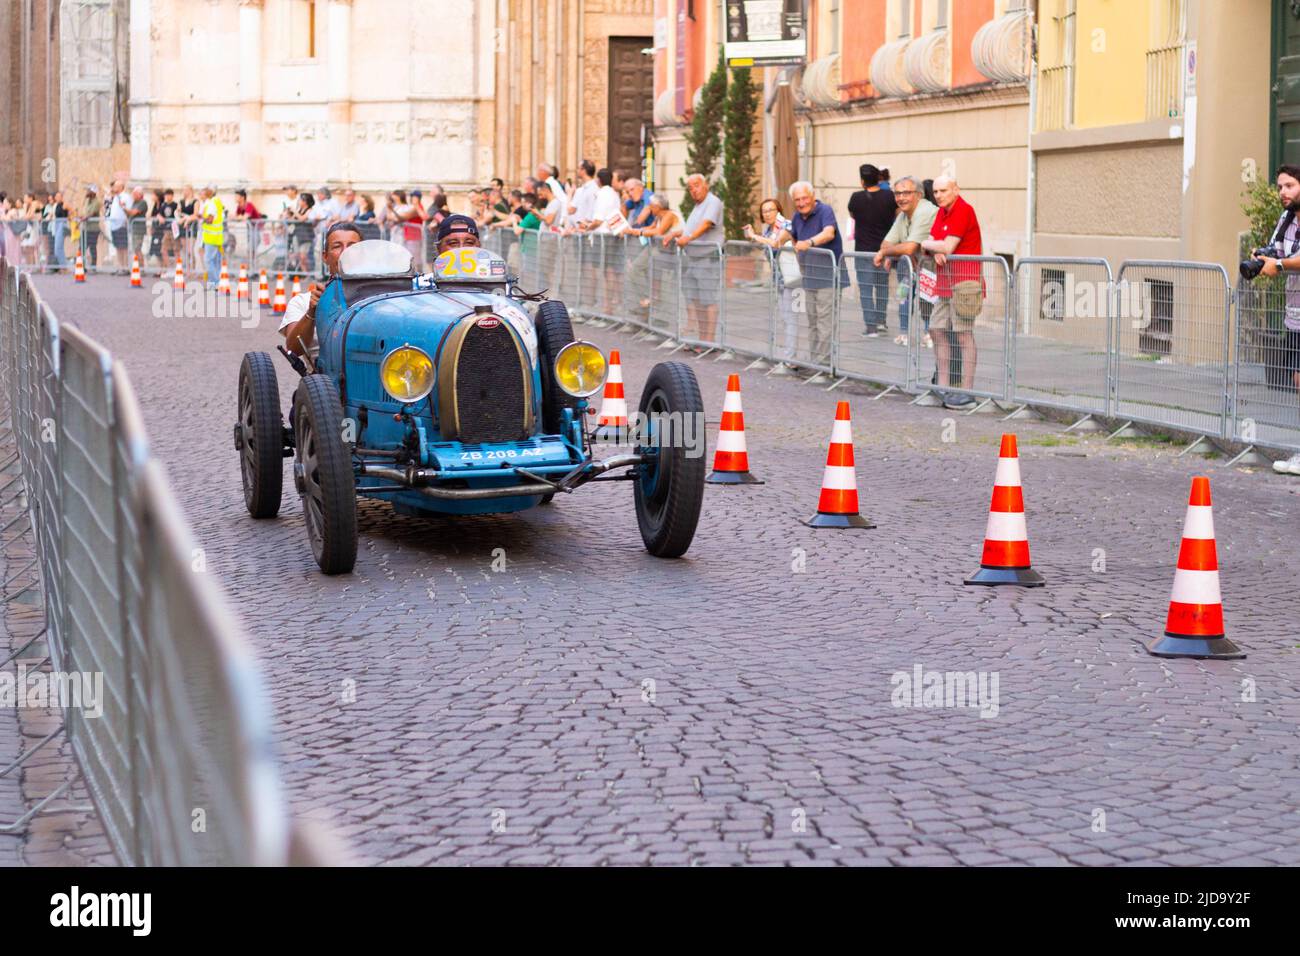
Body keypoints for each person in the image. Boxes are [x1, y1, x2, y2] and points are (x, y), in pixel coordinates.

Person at [920, 175, 983, 408]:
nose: (938, 195)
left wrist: (928, 245)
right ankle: (943, 388)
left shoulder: (964, 210)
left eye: (943, 191)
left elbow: (945, 245)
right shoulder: (941, 212)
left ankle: (967, 392)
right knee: (936, 329)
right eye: (935, 192)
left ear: (956, 189)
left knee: (964, 335)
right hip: (945, 283)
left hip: (965, 283)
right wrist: (934, 246)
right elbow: (937, 242)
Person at [1254, 164, 1300, 474]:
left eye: (1290, 186)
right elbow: (1279, 251)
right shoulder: (1287, 220)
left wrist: (1280, 266)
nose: (1283, 192)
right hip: (1295, 315)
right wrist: (1264, 257)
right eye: (1280, 186)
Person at [774, 181, 844, 367]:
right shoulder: (797, 216)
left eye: (804, 198)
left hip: (829, 276)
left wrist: (810, 243)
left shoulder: (825, 211)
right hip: (809, 276)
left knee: (825, 323)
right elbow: (791, 234)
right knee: (812, 321)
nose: (801, 202)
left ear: (812, 196)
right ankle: (815, 361)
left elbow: (829, 233)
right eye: (797, 199)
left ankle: (824, 364)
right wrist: (781, 237)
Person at [280, 222, 365, 360]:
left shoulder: (379, 298)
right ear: (325, 257)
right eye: (337, 246)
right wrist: (312, 312)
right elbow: (294, 349)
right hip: (322, 379)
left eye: (352, 246)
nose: (345, 252)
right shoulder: (302, 302)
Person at [874, 174, 939, 348]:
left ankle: (929, 334)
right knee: (903, 297)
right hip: (908, 265)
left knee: (927, 299)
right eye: (897, 194)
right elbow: (886, 243)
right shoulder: (903, 215)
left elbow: (908, 247)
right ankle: (904, 332)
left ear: (919, 194)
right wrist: (894, 251)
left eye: (906, 193)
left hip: (929, 266)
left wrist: (889, 252)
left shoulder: (925, 211)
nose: (901, 198)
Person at [671, 173, 724, 344]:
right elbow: (688, 229)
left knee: (708, 300)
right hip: (694, 259)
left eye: (696, 185)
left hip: (707, 259)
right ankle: (702, 339)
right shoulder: (697, 206)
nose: (693, 190)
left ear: (705, 185)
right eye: (690, 188)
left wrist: (688, 239)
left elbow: (707, 224)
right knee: (697, 300)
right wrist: (676, 233)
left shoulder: (712, 201)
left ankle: (709, 341)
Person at [848, 164, 899, 337]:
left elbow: (853, 215)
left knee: (866, 289)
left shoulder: (856, 198)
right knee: (882, 286)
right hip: (884, 250)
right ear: (879, 178)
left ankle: (870, 327)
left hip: (863, 251)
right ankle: (881, 322)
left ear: (862, 181)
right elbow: (896, 216)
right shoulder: (889, 196)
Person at [746, 197, 795, 359]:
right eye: (764, 211)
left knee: (793, 319)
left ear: (778, 210)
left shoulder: (787, 225)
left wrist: (754, 236)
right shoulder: (767, 231)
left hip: (794, 280)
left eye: (770, 210)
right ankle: (789, 355)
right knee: (785, 318)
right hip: (780, 280)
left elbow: (776, 243)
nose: (767, 214)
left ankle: (792, 358)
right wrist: (753, 237)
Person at [198, 185, 226, 287]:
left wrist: (201, 217)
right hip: (216, 236)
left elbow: (210, 220)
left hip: (211, 236)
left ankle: (215, 282)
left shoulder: (211, 203)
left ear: (208, 193)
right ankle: (215, 283)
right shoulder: (216, 202)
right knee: (215, 261)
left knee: (208, 260)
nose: (201, 195)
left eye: (202, 193)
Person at [105, 181, 131, 272]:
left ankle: (125, 267)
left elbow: (128, 209)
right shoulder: (115, 197)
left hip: (121, 225)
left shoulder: (126, 197)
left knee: (123, 247)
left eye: (116, 186)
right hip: (114, 225)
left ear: (121, 187)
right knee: (118, 247)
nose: (114, 188)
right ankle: (120, 266)